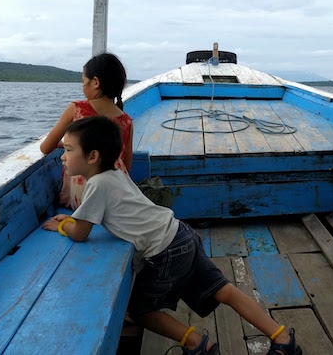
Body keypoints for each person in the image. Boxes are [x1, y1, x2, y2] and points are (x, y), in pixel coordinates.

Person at [43, 116, 303, 355]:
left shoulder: (96, 184)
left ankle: (198, 345)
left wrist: (64, 226)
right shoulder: (114, 175)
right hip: (181, 233)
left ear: (92, 156)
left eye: (68, 150)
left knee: (141, 311)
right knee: (224, 290)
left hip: (165, 251)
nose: (63, 157)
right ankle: (282, 339)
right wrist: (75, 219)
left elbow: (81, 233)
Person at [40, 52, 133, 209]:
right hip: (115, 199)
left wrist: (65, 145)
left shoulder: (76, 109)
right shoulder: (126, 121)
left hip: (83, 199)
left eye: (84, 82)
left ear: (95, 82)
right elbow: (127, 166)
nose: (83, 87)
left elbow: (46, 147)